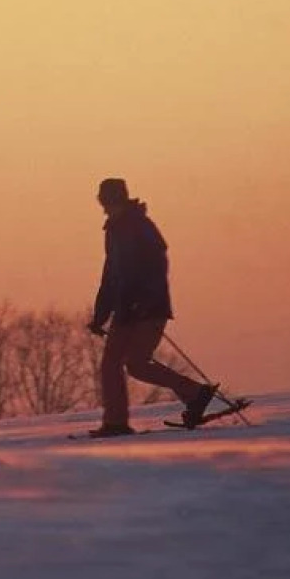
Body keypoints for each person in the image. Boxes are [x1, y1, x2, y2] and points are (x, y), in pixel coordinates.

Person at [85, 178, 214, 437]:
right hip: (124, 311)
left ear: (117, 199)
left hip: (148, 309)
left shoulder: (141, 226)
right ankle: (116, 422)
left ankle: (194, 393)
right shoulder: (113, 231)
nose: (105, 206)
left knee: (136, 364)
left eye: (108, 200)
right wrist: (100, 316)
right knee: (111, 365)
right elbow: (110, 276)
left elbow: (157, 266)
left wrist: (144, 301)